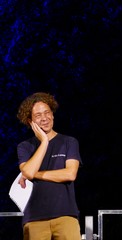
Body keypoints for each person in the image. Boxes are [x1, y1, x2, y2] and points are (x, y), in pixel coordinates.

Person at [16, 92, 82, 240]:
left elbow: (70, 174)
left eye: (47, 113)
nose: (44, 118)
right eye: (38, 115)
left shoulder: (69, 142)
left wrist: (34, 174)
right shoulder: (24, 146)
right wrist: (44, 142)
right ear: (30, 121)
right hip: (34, 219)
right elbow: (27, 171)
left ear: (52, 114)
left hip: (66, 215)